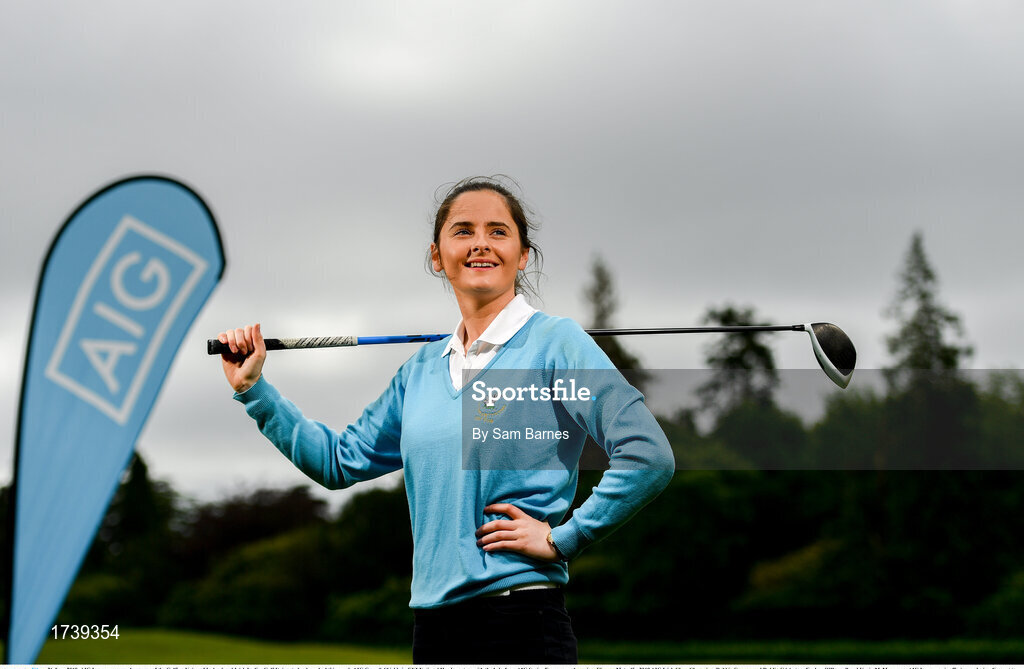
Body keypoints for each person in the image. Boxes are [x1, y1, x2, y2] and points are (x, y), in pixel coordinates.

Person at [217, 176, 675, 663]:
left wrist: (565, 538)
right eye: (463, 231)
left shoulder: (557, 343)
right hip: (432, 631)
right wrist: (254, 390)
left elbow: (647, 455)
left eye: (498, 231)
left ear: (523, 255)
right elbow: (337, 461)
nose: (480, 242)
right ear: (437, 256)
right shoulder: (419, 371)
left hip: (521, 623)